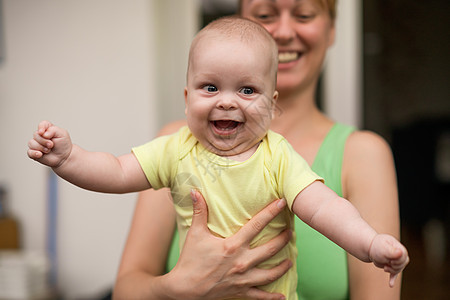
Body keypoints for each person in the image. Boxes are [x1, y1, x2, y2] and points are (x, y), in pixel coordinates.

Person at [28, 16, 408, 300]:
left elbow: (326, 209)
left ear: (271, 106)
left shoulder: (277, 158)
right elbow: (115, 171)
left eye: (246, 89)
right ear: (186, 97)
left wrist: (371, 244)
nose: (226, 100)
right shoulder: (175, 149)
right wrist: (68, 158)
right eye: (210, 87)